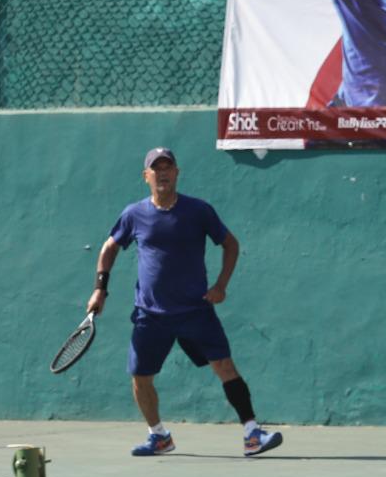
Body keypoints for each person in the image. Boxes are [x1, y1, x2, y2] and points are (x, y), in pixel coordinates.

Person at [86, 147, 281, 457]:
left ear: (177, 172)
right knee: (140, 377)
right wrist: (100, 289)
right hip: (151, 315)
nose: (162, 173)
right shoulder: (134, 214)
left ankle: (252, 433)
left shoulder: (198, 211)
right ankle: (159, 436)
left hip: (195, 310)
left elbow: (230, 244)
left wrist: (220, 285)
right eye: (156, 168)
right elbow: (110, 247)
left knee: (225, 366)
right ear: (146, 176)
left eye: (168, 167)